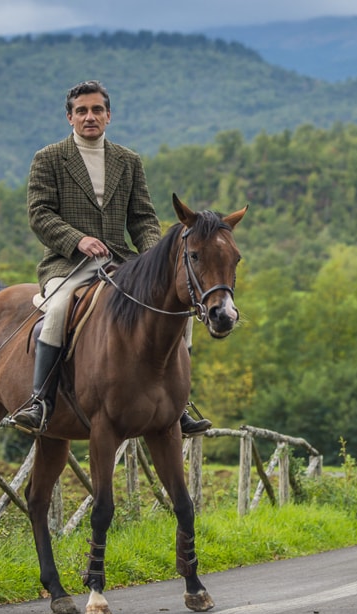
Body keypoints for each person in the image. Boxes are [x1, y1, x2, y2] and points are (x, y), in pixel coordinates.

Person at [11, 80, 210, 436]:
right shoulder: (48, 158)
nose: (90, 117)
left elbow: (143, 218)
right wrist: (78, 240)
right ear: (69, 117)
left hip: (121, 262)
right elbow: (40, 214)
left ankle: (179, 404)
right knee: (57, 309)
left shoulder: (128, 160)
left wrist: (153, 260)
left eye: (97, 110)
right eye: (82, 111)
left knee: (180, 306)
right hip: (66, 263)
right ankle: (40, 401)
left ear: (109, 115)